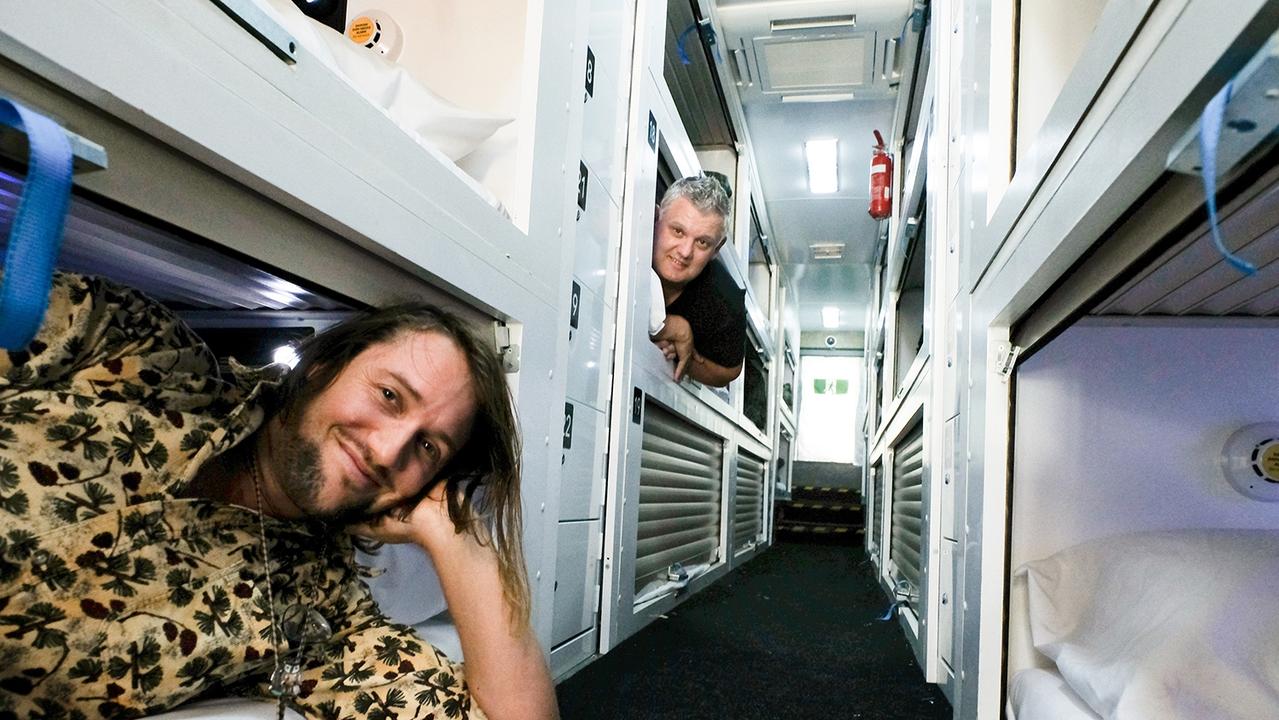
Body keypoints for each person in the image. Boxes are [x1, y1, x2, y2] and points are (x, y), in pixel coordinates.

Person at [0, 272, 558, 720]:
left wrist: (460, 541)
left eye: (428, 448)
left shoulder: (320, 615)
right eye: (388, 395)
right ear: (321, 367)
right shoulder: (131, 349)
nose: (389, 452)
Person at [649, 175, 746, 388]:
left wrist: (682, 356)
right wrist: (665, 326)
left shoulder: (723, 301)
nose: (684, 252)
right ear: (656, 217)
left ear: (716, 250)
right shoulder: (625, 238)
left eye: (702, 242)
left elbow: (728, 372)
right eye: (677, 231)